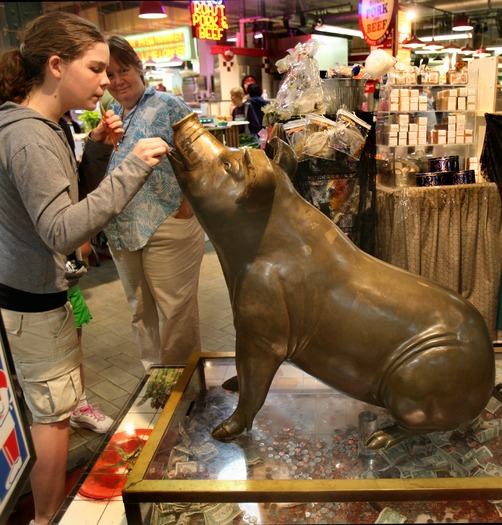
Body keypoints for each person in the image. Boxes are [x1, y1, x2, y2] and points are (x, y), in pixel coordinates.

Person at [0, 12, 169, 525]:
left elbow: (57, 199)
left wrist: (95, 155)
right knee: (52, 420)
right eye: (95, 68)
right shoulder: (30, 135)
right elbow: (61, 229)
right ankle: (46, 517)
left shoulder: (35, 125)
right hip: (32, 299)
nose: (106, 80)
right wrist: (134, 167)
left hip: (25, 289)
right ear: (56, 65)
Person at [103, 35, 205, 368]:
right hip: (123, 231)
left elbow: (203, 158)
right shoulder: (115, 114)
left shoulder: (168, 104)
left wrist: (188, 204)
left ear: (138, 67)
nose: (118, 81)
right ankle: (154, 380)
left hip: (165, 223)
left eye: (123, 70)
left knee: (175, 311)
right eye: (109, 74)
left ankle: (182, 386)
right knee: (140, 311)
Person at [59, 116, 113, 434]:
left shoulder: (60, 126)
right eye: (94, 69)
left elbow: (76, 187)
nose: (102, 80)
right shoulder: (20, 128)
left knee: (73, 334)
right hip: (26, 275)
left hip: (64, 269)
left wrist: (95, 143)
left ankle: (78, 401)